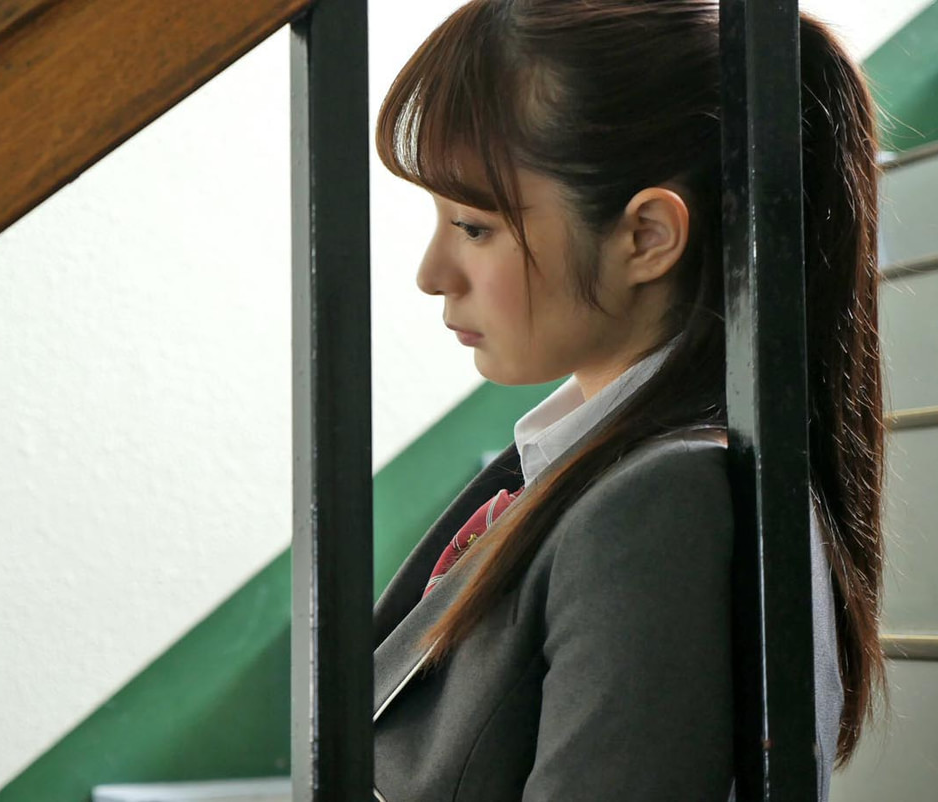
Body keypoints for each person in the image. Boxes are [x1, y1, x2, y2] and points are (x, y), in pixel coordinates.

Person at [369, 1, 888, 800]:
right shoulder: (588, 467)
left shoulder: (664, 502)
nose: (431, 274)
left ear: (646, 236)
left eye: (473, 227)